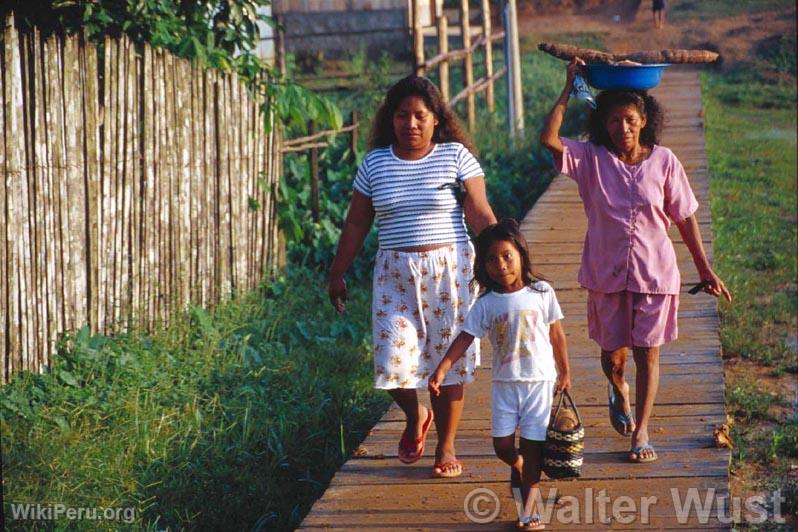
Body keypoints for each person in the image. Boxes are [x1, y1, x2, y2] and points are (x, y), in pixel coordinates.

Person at [540, 58, 732, 464]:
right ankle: (618, 388)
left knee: (649, 352)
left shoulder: (664, 162)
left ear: (644, 119)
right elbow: (549, 139)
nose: (621, 129)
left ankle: (641, 432)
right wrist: (567, 89)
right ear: (601, 125)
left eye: (629, 120)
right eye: (612, 121)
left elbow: (684, 217)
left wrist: (704, 269)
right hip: (606, 273)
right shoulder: (591, 159)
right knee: (613, 354)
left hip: (655, 274)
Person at [328, 75, 497, 478]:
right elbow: (356, 224)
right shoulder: (375, 164)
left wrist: (502, 253)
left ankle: (447, 444)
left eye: (420, 115)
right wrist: (337, 272)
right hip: (394, 275)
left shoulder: (455, 156)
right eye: (402, 115)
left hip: (451, 272)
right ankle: (415, 413)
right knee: (391, 363)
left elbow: (478, 210)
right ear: (391, 119)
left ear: (436, 119)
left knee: (448, 362)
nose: (411, 123)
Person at [429, 219, 571, 530]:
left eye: (507, 256)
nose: (501, 265)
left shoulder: (541, 291)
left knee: (534, 445)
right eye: (491, 259)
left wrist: (565, 371)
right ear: (483, 265)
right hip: (505, 384)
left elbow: (557, 334)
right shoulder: (487, 303)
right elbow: (466, 337)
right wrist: (443, 368)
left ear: (521, 254)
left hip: (539, 381)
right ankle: (517, 464)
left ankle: (530, 509)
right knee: (503, 445)